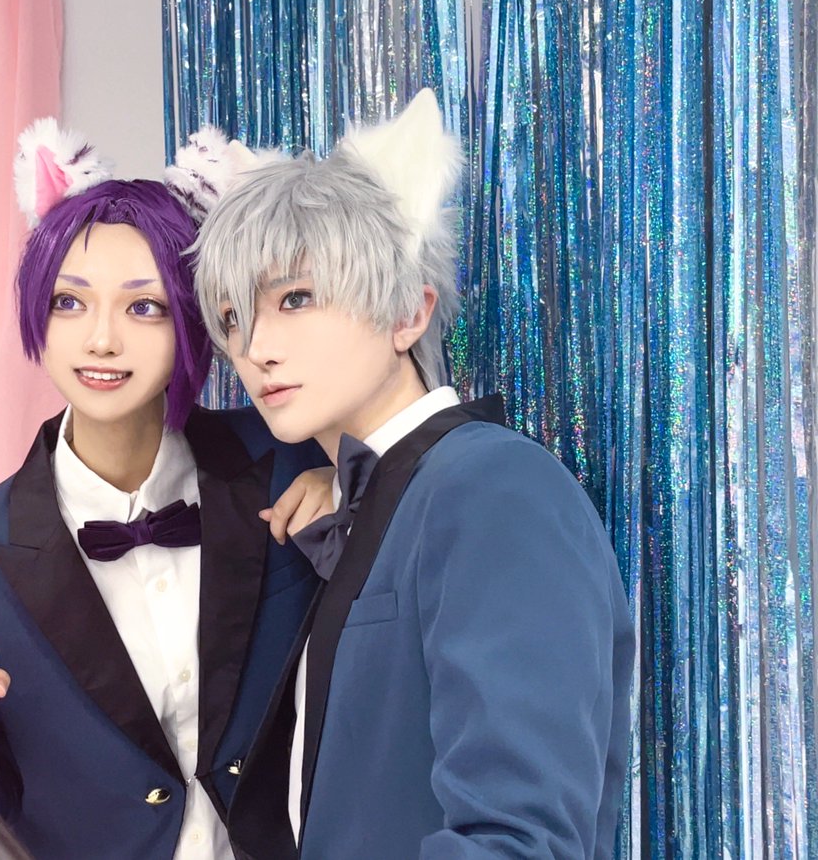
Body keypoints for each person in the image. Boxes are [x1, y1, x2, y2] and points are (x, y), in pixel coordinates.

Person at [191, 89, 635, 859]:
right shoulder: (375, 502)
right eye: (233, 318)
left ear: (408, 313)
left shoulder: (494, 487)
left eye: (296, 298)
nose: (255, 348)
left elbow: (519, 840)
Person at [0, 121, 331, 859]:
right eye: (69, 303)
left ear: (194, 319)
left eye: (144, 307)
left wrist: (348, 483)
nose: (101, 340)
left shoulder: (288, 458)